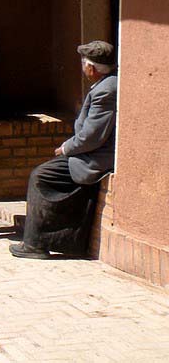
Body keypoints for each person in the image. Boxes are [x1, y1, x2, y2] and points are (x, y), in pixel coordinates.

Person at [10, 41, 117, 259]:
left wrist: (66, 148)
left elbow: (92, 136)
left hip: (93, 157)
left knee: (41, 176)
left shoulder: (106, 90)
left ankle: (36, 243)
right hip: (86, 153)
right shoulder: (105, 85)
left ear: (91, 68)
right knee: (44, 172)